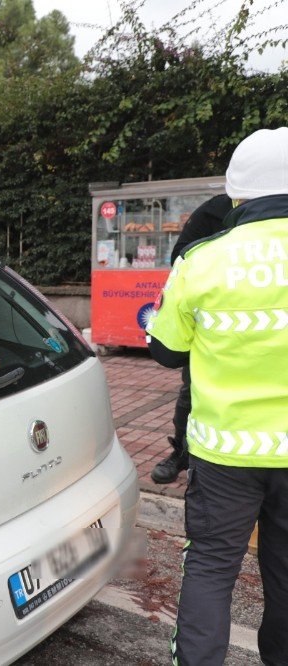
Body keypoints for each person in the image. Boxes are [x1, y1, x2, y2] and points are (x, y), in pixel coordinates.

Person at [145, 126, 288, 665]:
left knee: (209, 570)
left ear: (236, 194)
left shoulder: (203, 259)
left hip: (224, 454)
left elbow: (165, 351)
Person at [150, 193, 233, 484]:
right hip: (212, 327)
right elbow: (180, 257)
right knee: (191, 391)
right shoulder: (214, 211)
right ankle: (183, 453)